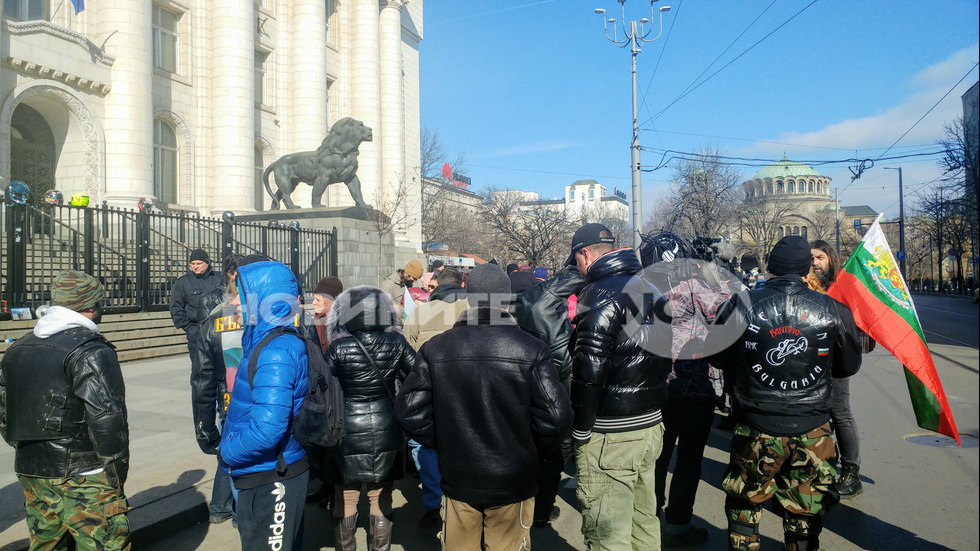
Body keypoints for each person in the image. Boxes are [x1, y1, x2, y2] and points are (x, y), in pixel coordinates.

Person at [396, 263, 572, 550]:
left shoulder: (437, 348)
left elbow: (408, 410)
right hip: (512, 476)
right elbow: (556, 417)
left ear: (469, 296)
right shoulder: (532, 348)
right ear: (506, 299)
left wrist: (446, 441)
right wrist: (527, 448)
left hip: (459, 474)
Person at [711, 236, 862, 551]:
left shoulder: (741, 303)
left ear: (770, 268)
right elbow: (848, 366)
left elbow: (716, 357)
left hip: (754, 424)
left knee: (745, 506)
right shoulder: (835, 309)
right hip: (813, 428)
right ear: (808, 270)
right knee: (805, 511)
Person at [1, 270, 130, 550]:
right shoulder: (91, 350)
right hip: (85, 472)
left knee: (46, 543)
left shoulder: (17, 349)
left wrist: (28, 450)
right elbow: (107, 420)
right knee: (104, 544)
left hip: (32, 468)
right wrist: (115, 477)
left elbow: (5, 412)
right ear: (92, 307)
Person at [569, 222, 672, 551]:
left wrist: (581, 429)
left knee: (607, 533)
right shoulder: (651, 288)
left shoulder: (597, 294)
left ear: (585, 254)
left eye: (576, 261)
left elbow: (589, 368)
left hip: (611, 433)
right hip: (649, 423)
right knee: (644, 521)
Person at [639, 232, 740, 548]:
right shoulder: (695, 288)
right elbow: (728, 314)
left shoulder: (641, 290)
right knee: (688, 460)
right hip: (693, 387)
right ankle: (678, 525)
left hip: (654, 387)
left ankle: (649, 521)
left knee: (656, 458)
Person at [218, 260, 310, 551]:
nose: (234, 302)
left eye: (242, 295)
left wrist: (227, 452)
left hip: (272, 475)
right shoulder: (265, 339)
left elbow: (268, 430)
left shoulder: (276, 350)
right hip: (263, 471)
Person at [323, 286, 415, 551]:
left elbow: (322, 386)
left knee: (347, 498)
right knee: (380, 497)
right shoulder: (397, 343)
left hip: (347, 431)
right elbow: (418, 375)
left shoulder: (339, 348)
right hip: (386, 427)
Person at [513, 265, 585, 527]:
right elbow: (576, 276)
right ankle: (542, 510)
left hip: (520, 382)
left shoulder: (503, 313)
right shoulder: (540, 301)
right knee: (553, 447)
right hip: (557, 378)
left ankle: (525, 506)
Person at [402, 267, 469, 529]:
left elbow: (407, 350)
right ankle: (460, 499)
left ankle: (433, 502)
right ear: (461, 284)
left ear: (437, 285)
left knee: (424, 445)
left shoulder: (421, 312)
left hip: (429, 388)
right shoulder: (473, 310)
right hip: (466, 389)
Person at [810, 239, 865, 497]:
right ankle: (820, 466)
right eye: (811, 258)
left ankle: (851, 472)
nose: (815, 262)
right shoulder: (805, 285)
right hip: (809, 361)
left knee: (840, 413)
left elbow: (857, 318)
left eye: (820, 257)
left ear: (830, 259)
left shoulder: (840, 287)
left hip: (835, 362)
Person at [191, 253, 243, 525]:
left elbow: (202, 379)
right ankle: (235, 513)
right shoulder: (254, 316)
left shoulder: (217, 317)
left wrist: (204, 425)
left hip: (229, 399)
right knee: (239, 456)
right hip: (243, 400)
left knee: (229, 451)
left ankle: (223, 508)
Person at [170, 248, 220, 374]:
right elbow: (176, 306)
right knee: (200, 369)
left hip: (218, 329)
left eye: (199, 264)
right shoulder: (183, 282)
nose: (195, 267)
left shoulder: (219, 279)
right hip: (196, 331)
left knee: (220, 368)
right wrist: (188, 327)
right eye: (192, 264)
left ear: (207, 263)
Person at [312, 276, 344, 354]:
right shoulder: (315, 322)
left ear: (330, 301)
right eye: (314, 299)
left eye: (318, 300)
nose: (313, 302)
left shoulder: (345, 323)